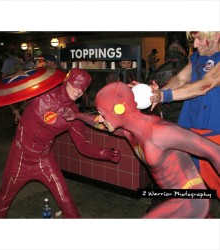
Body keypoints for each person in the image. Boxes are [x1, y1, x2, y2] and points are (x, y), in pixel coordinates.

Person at [64, 81, 220, 218]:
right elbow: (100, 124)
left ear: (119, 110)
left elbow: (213, 150)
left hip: (190, 198)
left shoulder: (159, 131)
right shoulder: (128, 130)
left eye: (103, 114)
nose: (101, 118)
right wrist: (78, 115)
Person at [0, 68, 121, 218]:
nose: (79, 91)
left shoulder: (72, 114)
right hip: (19, 159)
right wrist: (14, 109)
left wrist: (105, 153)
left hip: (43, 160)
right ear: (67, 80)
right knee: (4, 199)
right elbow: (14, 92)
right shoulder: (41, 93)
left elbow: (83, 146)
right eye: (76, 85)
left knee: (65, 199)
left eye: (83, 88)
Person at [150, 31, 220, 198]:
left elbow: (205, 85)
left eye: (199, 39)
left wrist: (165, 96)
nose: (194, 45)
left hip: (214, 133)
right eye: (193, 39)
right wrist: (155, 93)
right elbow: (180, 79)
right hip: (190, 131)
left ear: (216, 36)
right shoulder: (196, 58)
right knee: (190, 187)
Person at [1, 45, 24, 125]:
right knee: (17, 101)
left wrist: (2, 81)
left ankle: (19, 118)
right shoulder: (20, 60)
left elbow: (4, 74)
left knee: (10, 101)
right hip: (20, 82)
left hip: (10, 82)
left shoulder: (7, 61)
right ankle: (16, 119)